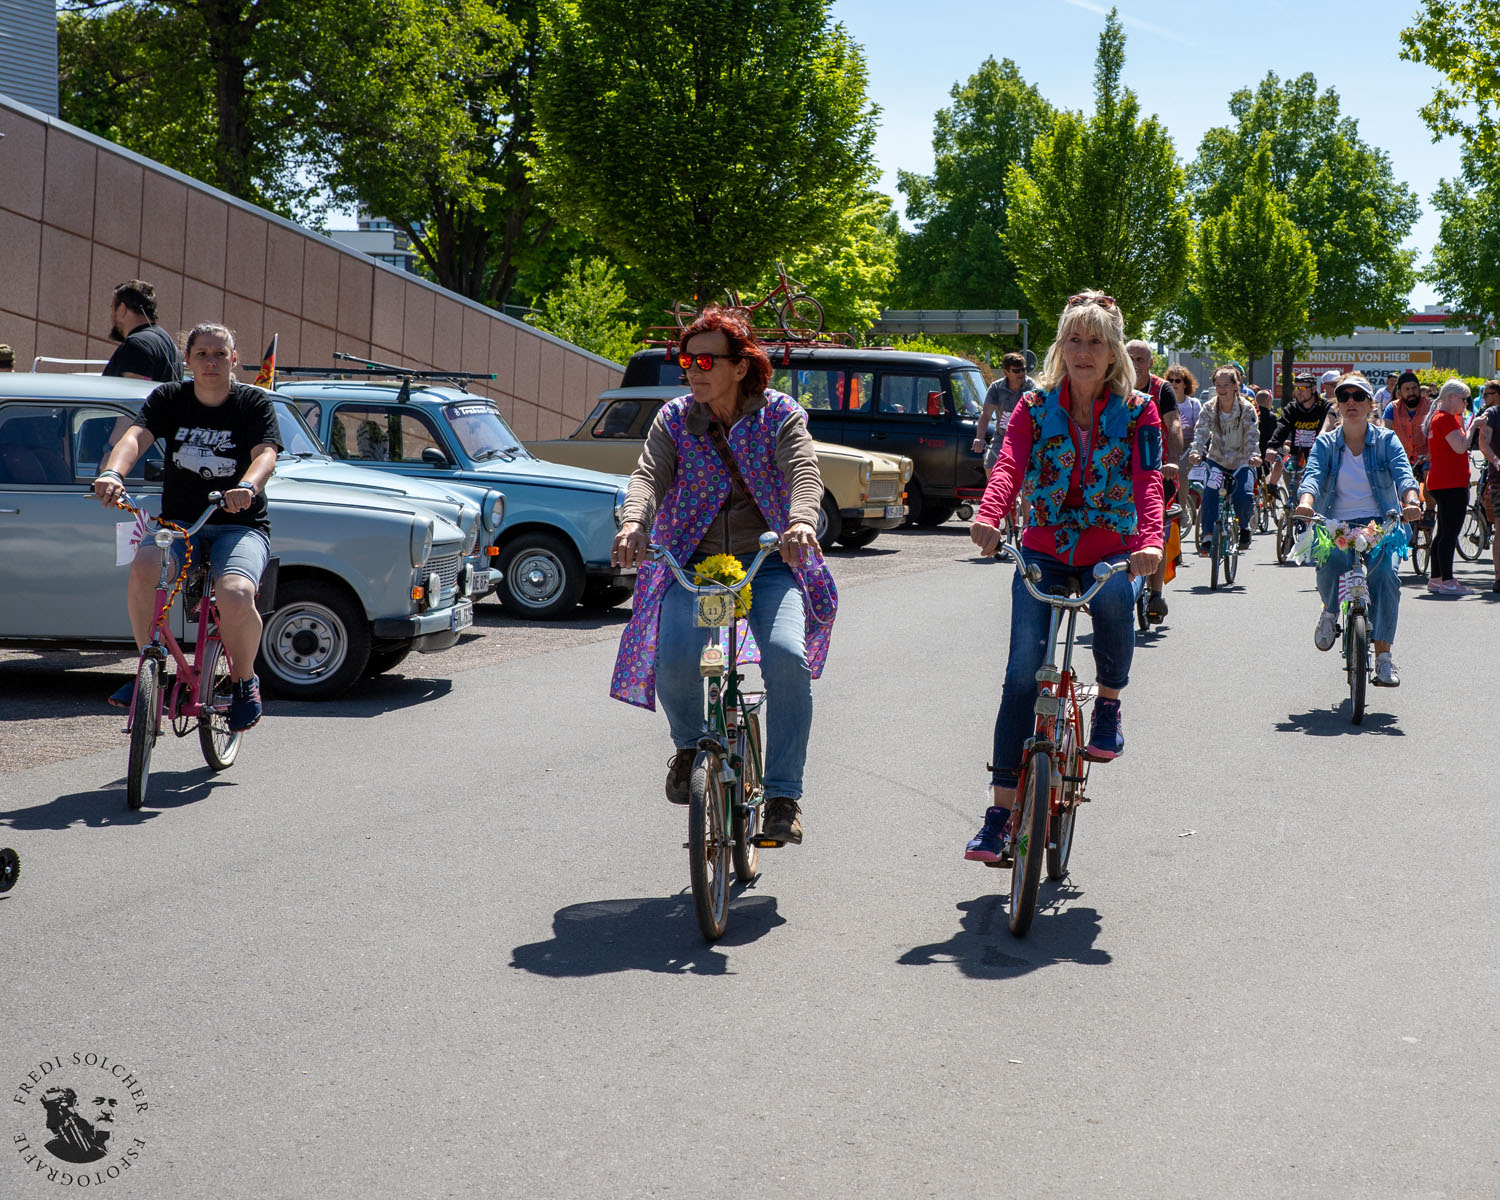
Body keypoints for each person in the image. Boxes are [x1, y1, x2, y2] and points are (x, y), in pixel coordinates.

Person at [610, 305, 836, 848]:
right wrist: (634, 522)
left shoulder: (779, 414)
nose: (694, 370)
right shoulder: (674, 418)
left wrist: (802, 521)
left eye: (707, 360)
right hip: (692, 563)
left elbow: (803, 472)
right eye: (687, 360)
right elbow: (648, 475)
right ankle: (690, 746)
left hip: (769, 562)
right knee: (672, 657)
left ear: (741, 366)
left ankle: (783, 795)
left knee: (787, 658)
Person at [965, 291, 1163, 864]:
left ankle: (1108, 703)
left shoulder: (1139, 411)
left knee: (1115, 599)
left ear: (1113, 353)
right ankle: (999, 815)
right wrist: (989, 514)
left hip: (1109, 548)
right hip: (1045, 548)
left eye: (1095, 341)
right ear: (1059, 348)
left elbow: (1149, 480)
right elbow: (1009, 464)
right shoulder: (1032, 406)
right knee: (1020, 678)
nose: (1083, 351)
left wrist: (1150, 541)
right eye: (1073, 339)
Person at [92, 323, 278, 731]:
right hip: (180, 524)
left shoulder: (252, 402)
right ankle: (150, 666)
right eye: (202, 354)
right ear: (188, 360)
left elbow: (265, 454)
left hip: (240, 525)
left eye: (220, 354)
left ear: (234, 360)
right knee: (144, 566)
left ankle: (245, 681)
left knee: (235, 593)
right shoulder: (170, 398)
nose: (211, 362)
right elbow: (135, 437)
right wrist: (113, 473)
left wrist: (248, 486)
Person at [1292, 372, 1422, 687]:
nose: (1351, 402)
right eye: (1344, 396)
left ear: (1370, 404)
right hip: (1335, 522)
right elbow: (1312, 475)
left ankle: (1384, 659)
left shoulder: (1386, 440)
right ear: (1337, 404)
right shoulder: (1326, 442)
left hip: (1381, 522)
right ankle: (1329, 612)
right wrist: (1306, 503)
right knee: (1331, 562)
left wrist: (1411, 500)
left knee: (1385, 577)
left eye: (1358, 396)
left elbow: (1404, 475)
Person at [1125, 340, 1182, 622]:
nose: (1135, 364)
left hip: (1156, 469)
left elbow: (1173, 423)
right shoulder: (1113, 386)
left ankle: (1156, 593)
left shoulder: (1162, 389)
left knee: (1156, 524)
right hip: (1119, 470)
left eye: (1140, 359)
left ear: (1150, 363)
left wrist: (1172, 461)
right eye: (1130, 358)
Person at [1187, 366, 1261, 552]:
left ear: (1236, 385)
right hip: (1217, 461)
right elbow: (1201, 432)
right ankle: (1208, 535)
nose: (1222, 389)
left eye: (1226, 385)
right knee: (1210, 493)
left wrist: (1254, 455)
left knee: (1244, 495)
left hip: (1242, 461)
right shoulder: (1209, 407)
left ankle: (1244, 527)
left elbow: (1252, 435)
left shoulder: (1247, 408)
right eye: (1218, 385)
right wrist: (1196, 451)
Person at [1422, 378, 1474, 595]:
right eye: (1464, 399)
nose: (1466, 403)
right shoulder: (1444, 419)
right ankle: (1448, 580)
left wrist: (1463, 421)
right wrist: (1473, 426)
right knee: (1449, 534)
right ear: (1451, 397)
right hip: (1451, 483)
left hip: (1442, 482)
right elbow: (1460, 447)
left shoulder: (1440, 417)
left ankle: (1437, 578)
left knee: (1443, 532)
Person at [101, 280, 183, 383]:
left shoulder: (136, 344)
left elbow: (133, 390)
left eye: (113, 309)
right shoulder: (172, 347)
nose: (111, 316)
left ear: (122, 309)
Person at [974, 352, 1040, 476]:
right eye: (1016, 371)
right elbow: (986, 415)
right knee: (990, 464)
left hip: (1026, 437)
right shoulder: (996, 387)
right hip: (1002, 436)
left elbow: (1038, 414)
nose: (1021, 373)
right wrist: (979, 438)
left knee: (1026, 473)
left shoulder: (1032, 387)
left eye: (1023, 369)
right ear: (1006, 372)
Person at [1267, 373, 1331, 497]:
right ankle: (1283, 494)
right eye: (1296, 388)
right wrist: (1272, 446)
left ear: (1313, 389)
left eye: (1302, 388)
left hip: (1319, 455)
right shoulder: (1292, 408)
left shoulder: (1325, 407)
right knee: (1288, 472)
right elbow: (1282, 426)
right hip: (1297, 455)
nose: (1298, 392)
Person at [1475, 379, 1500, 591]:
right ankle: (1498, 577)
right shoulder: (1492, 414)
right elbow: (1483, 443)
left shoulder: (1492, 412)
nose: (1484, 399)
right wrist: (1496, 460)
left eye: (1487, 394)